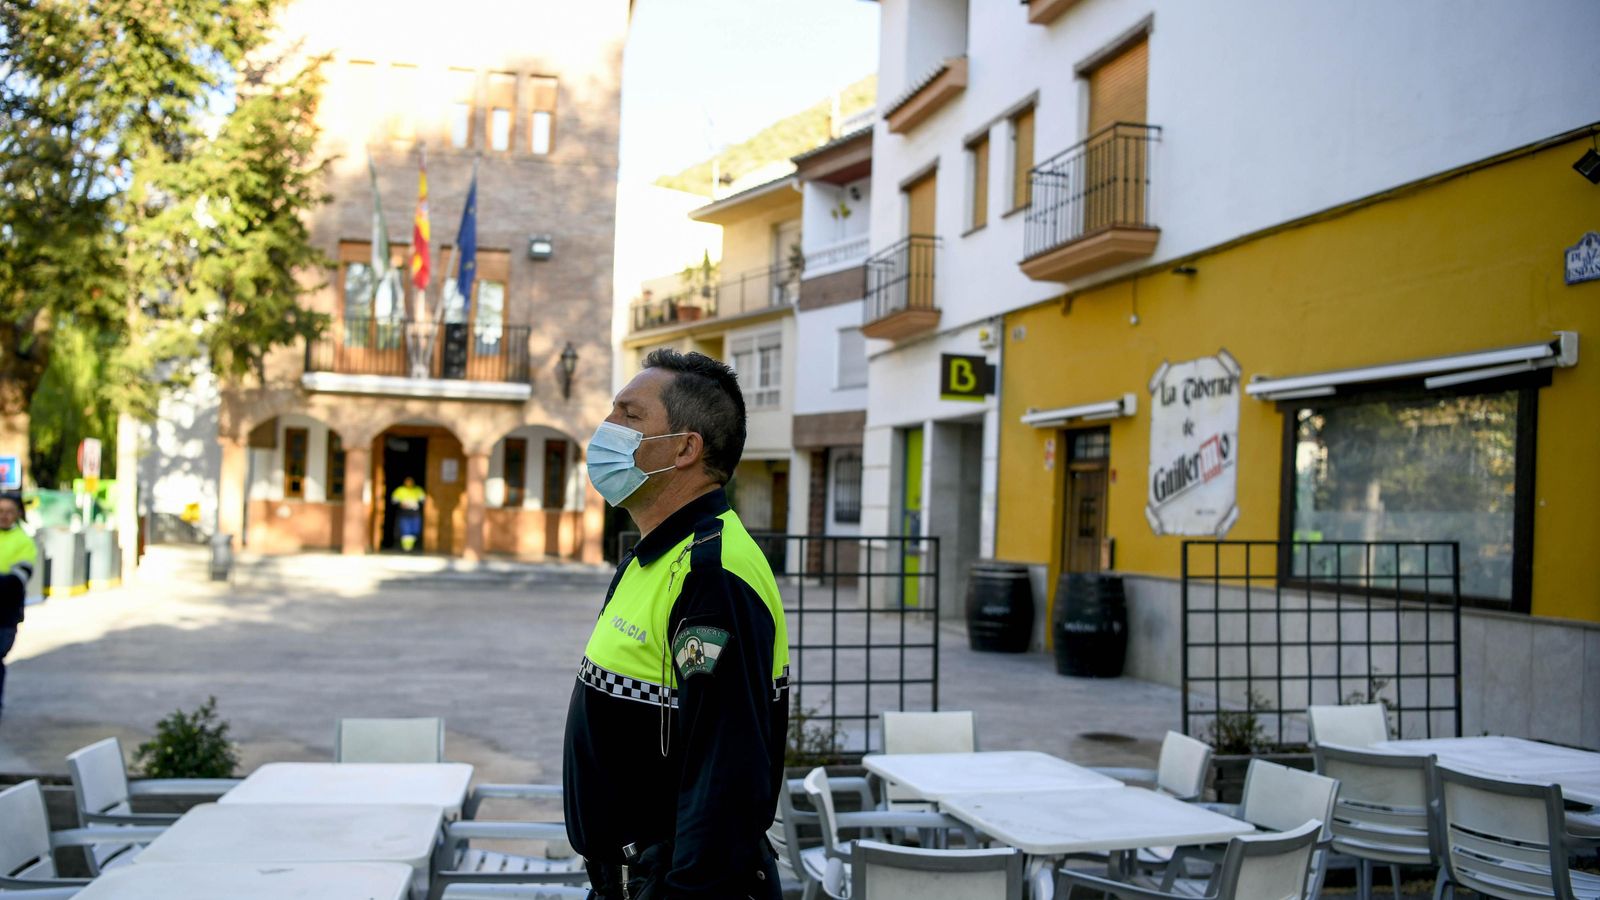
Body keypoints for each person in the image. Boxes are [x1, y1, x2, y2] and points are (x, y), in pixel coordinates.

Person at [563, 349, 789, 900]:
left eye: (630, 416)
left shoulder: (712, 575)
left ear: (686, 448)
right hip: (626, 882)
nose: (606, 429)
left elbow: (727, 778)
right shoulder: (652, 559)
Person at [0, 492, 38, 724]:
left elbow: (15, 583)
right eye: (0, 511)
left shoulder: (24, 542)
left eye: (8, 511)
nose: (3, 516)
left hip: (4, 617)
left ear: (17, 515)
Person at [390, 476, 426, 552]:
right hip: (404, 512)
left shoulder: (417, 490)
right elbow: (394, 500)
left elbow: (423, 499)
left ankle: (411, 546)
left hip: (414, 512)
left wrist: (416, 503)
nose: (409, 483)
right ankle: (406, 547)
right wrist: (401, 502)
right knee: (405, 528)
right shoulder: (400, 490)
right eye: (407, 481)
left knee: (415, 529)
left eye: (410, 481)